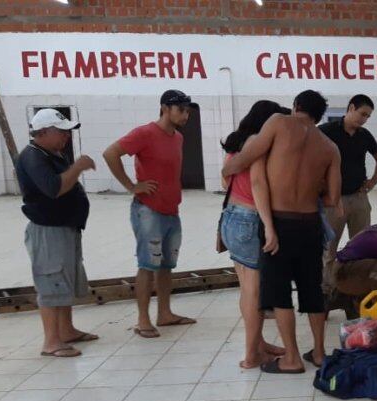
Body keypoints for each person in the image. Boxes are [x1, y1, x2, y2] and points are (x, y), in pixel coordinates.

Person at [221, 90, 341, 374]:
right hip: (310, 225)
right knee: (312, 289)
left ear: (296, 106)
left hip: (278, 222)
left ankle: (292, 358)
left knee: (279, 292)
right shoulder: (329, 146)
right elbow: (333, 198)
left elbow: (245, 159)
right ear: (319, 115)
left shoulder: (277, 122)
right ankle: (320, 353)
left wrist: (231, 169)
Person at [103, 89, 198, 338]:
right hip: (148, 210)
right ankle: (143, 319)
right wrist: (131, 186)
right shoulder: (144, 133)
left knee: (166, 265)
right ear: (165, 108)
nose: (185, 115)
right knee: (147, 264)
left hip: (171, 210)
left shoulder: (177, 137)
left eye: (187, 110)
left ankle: (164, 313)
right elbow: (110, 153)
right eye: (181, 110)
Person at [15, 109, 99, 357]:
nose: (66, 137)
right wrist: (79, 167)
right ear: (43, 132)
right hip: (48, 231)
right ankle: (51, 342)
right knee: (51, 282)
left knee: (65, 279)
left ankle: (66, 330)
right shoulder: (32, 157)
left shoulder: (51, 154)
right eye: (61, 132)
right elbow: (54, 188)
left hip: (64, 227)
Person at [220, 100, 291, 368]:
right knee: (253, 290)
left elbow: (225, 179)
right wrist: (269, 226)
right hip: (250, 219)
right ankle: (251, 355)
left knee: (246, 289)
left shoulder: (236, 144)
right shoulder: (256, 143)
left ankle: (259, 343)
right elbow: (258, 183)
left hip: (231, 217)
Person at [319, 94, 377, 293]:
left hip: (358, 198)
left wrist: (372, 181)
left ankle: (356, 290)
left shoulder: (364, 136)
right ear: (350, 108)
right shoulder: (325, 132)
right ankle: (329, 291)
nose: (364, 119)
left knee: (363, 247)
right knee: (329, 250)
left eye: (367, 117)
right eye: (362, 114)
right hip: (332, 200)